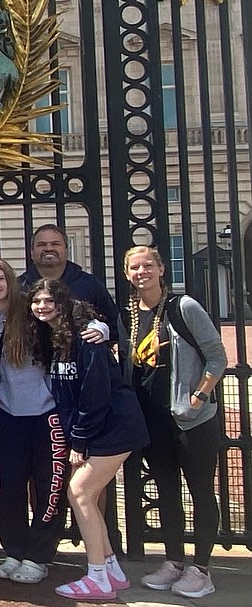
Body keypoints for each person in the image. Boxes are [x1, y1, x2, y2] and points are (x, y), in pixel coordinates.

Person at [27, 278, 149, 600]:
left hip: (113, 426)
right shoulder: (54, 337)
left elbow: (95, 392)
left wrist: (79, 441)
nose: (42, 306)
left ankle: (96, 576)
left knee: (80, 493)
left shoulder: (86, 336)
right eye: (37, 301)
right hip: (99, 427)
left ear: (62, 302)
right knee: (85, 495)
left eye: (48, 301)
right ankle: (110, 569)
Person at [0, 259, 82, 585]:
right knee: (11, 487)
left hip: (46, 413)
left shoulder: (31, 309)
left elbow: (71, 319)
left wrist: (99, 328)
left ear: (10, 281)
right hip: (10, 413)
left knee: (49, 487)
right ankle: (15, 550)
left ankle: (39, 555)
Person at [122, 246, 226, 599]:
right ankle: (174, 561)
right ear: (127, 274)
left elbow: (216, 356)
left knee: (199, 491)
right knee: (166, 491)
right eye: (135, 267)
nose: (141, 272)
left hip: (191, 418)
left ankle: (201, 568)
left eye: (148, 265)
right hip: (153, 419)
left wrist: (199, 395)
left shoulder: (184, 307)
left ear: (161, 269)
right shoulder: (130, 314)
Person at [19, 224, 120, 340]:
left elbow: (114, 325)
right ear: (31, 252)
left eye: (55, 244)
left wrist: (102, 331)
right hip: (32, 355)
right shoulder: (19, 287)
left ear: (67, 250)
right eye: (41, 244)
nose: (48, 248)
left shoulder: (90, 284)